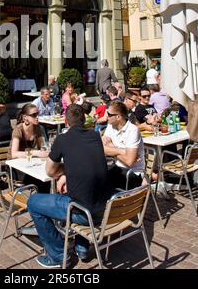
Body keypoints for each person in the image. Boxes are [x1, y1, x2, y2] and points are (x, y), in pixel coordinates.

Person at [27, 104, 113, 268]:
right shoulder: (95, 136)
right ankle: (81, 247)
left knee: (33, 202)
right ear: (83, 120)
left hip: (84, 213)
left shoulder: (62, 139)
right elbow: (85, 163)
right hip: (105, 209)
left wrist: (63, 173)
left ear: (66, 122)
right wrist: (68, 172)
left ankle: (59, 254)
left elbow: (50, 171)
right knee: (83, 192)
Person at [102, 101, 145, 190]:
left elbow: (129, 162)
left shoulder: (132, 130)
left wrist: (111, 147)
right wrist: (122, 151)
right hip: (118, 168)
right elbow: (102, 147)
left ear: (118, 117)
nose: (106, 116)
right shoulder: (111, 125)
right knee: (96, 179)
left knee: (101, 185)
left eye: (109, 114)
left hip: (133, 173)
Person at [8, 103, 49, 191]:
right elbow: (14, 154)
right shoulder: (18, 130)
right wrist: (34, 153)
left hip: (30, 163)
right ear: (25, 117)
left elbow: (42, 146)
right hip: (16, 167)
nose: (37, 117)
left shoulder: (38, 128)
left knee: (48, 176)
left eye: (38, 113)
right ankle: (39, 202)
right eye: (34, 115)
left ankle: (43, 201)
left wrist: (44, 150)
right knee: (41, 181)